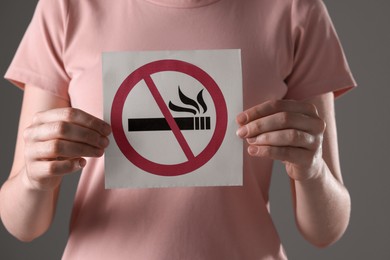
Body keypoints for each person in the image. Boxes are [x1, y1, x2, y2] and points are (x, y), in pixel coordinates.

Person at [0, 0, 356, 259]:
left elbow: (327, 230)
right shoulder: (66, 7)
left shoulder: (296, 9)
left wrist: (312, 171)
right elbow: (24, 225)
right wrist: (33, 177)